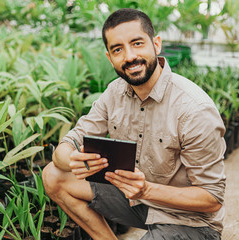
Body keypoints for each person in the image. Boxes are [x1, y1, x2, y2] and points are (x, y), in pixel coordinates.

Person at [42, 8, 226, 240]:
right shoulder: (114, 92)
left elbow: (212, 199)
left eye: (137, 43)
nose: (129, 57)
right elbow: (69, 143)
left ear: (156, 44)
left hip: (189, 220)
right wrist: (70, 158)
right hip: (135, 199)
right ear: (110, 58)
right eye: (118, 49)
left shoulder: (194, 109)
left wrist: (147, 189)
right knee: (53, 175)